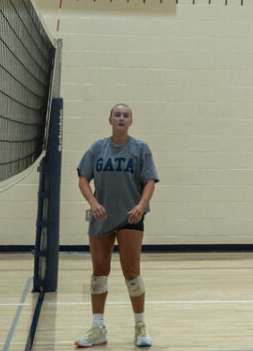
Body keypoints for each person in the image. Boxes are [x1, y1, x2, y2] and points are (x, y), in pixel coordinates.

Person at [76, 103, 159, 348]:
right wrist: (93, 202)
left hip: (130, 218)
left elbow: (150, 181)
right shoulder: (96, 148)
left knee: (132, 275)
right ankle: (98, 328)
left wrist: (141, 206)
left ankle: (140, 327)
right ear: (109, 119)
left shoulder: (141, 149)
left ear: (131, 121)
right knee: (98, 276)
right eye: (117, 115)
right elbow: (82, 179)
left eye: (126, 115)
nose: (121, 118)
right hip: (101, 217)